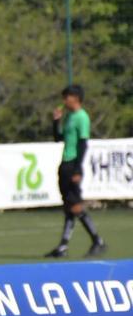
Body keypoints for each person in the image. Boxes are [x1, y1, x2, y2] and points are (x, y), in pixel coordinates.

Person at [45, 84, 106, 258]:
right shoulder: (69, 117)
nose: (64, 101)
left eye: (67, 97)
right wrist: (56, 121)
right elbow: (59, 139)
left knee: (76, 205)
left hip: (72, 165)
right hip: (65, 163)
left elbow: (83, 143)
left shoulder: (81, 117)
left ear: (76, 98)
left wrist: (78, 169)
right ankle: (63, 246)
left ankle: (97, 240)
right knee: (69, 206)